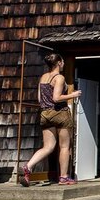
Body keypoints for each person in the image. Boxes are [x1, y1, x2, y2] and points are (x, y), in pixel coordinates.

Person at [20, 53, 81, 187]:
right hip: (59, 114)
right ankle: (64, 177)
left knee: (48, 147)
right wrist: (73, 95)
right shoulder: (59, 78)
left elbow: (40, 99)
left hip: (45, 114)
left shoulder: (43, 77)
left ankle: (28, 166)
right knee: (64, 146)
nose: (64, 64)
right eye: (63, 62)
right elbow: (56, 98)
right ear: (59, 63)